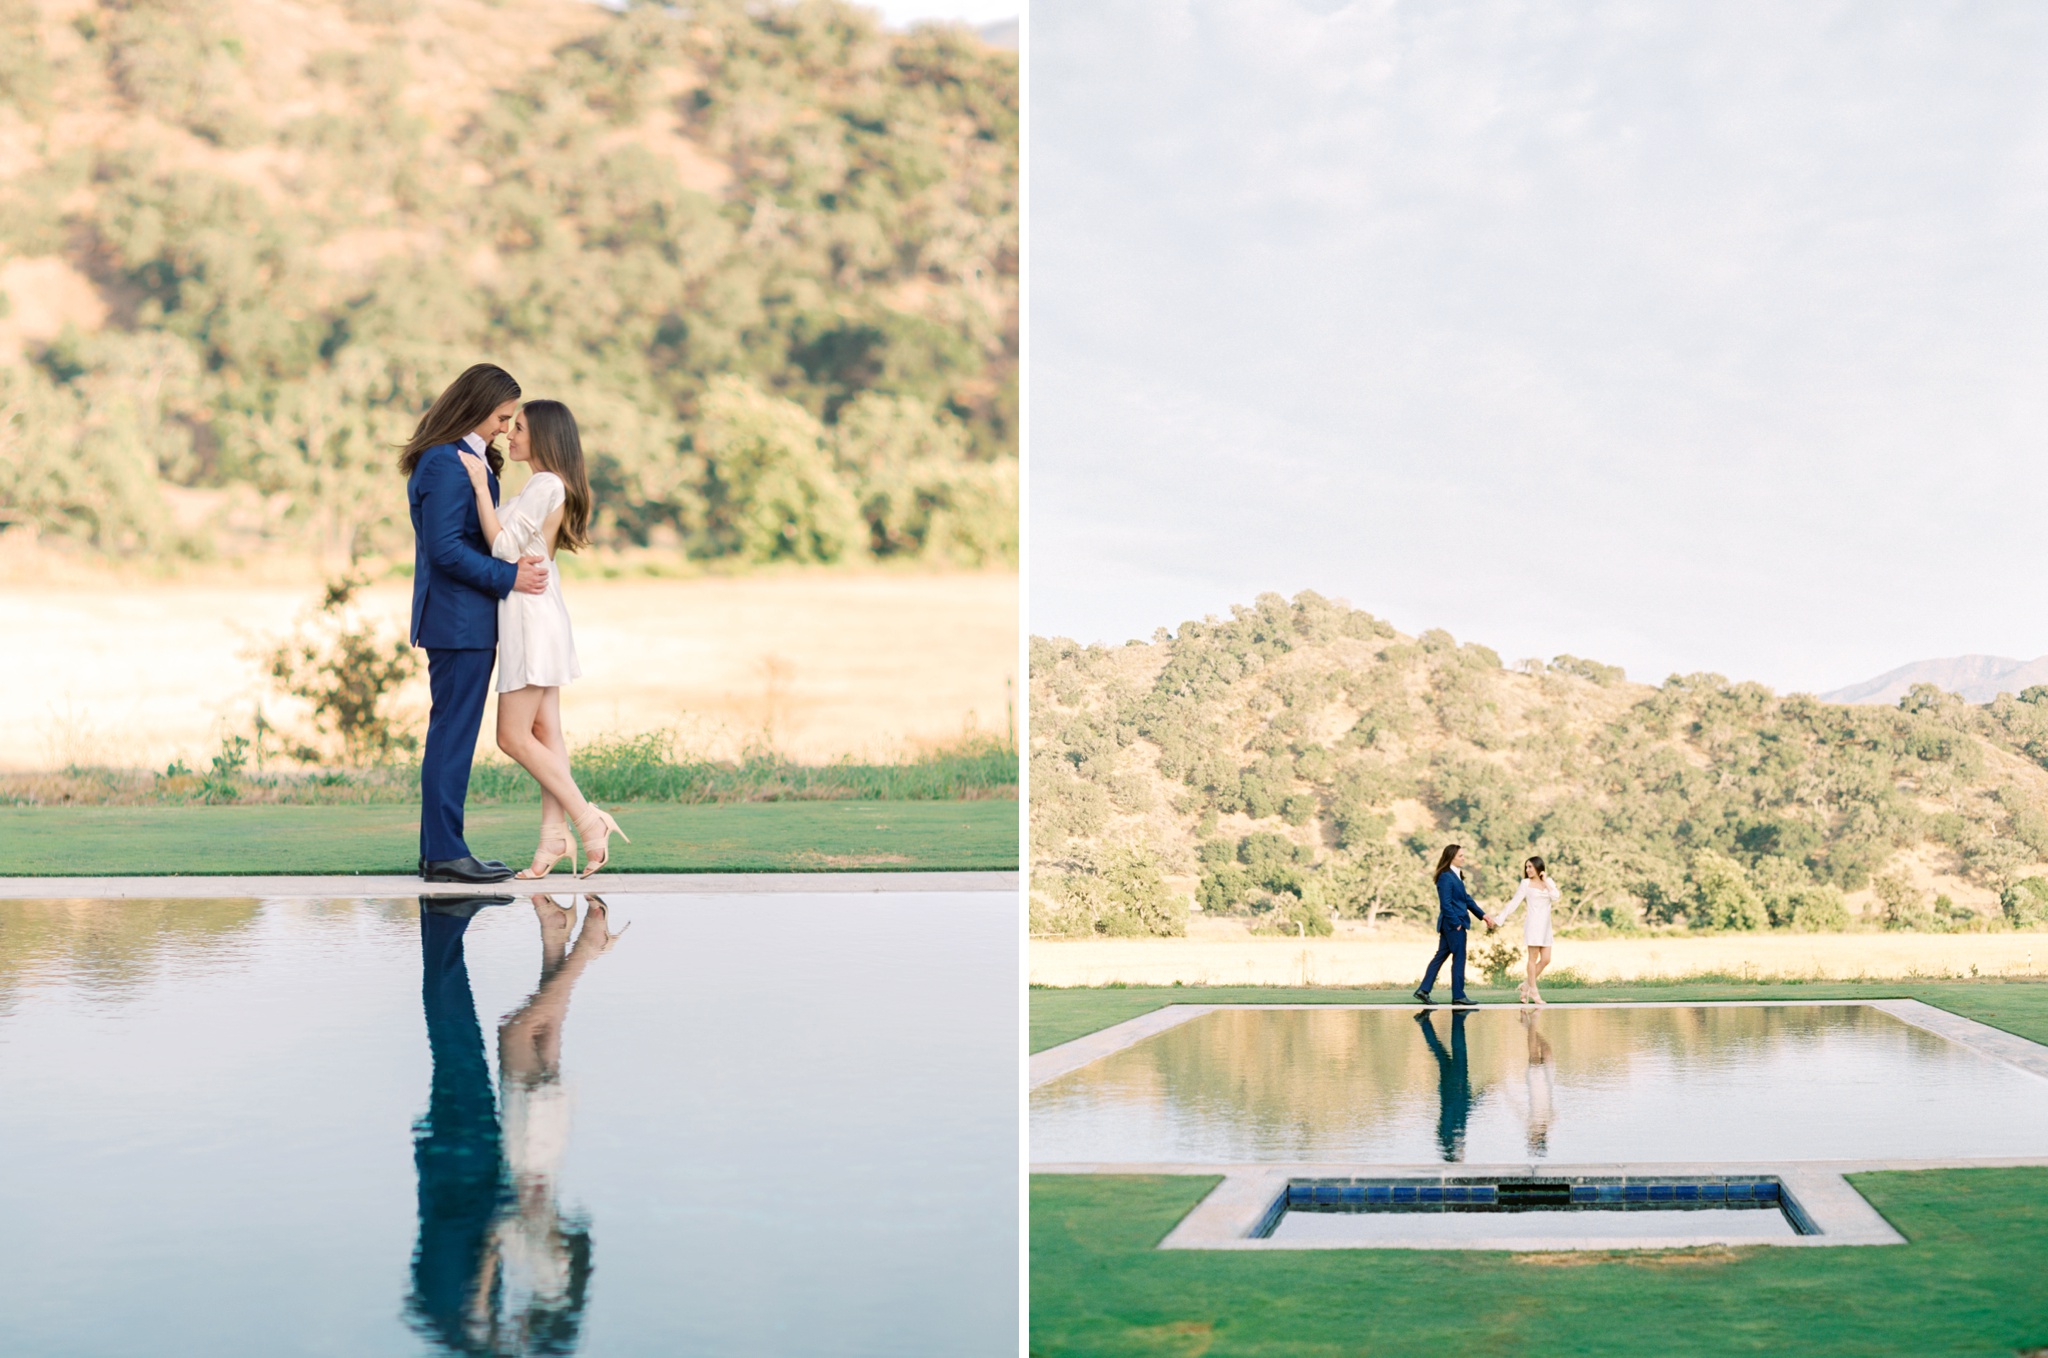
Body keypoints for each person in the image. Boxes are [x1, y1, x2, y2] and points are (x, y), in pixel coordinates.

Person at [454, 400, 627, 878]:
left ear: (545, 437)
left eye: (520, 428)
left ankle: (589, 820)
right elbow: (504, 537)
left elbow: (502, 545)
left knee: (511, 736)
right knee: (545, 733)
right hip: (536, 613)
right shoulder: (541, 485)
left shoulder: (547, 484)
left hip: (531, 617)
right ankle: (553, 839)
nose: (510, 435)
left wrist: (478, 485)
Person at [403, 364, 549, 885]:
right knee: (452, 736)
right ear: (476, 407)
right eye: (502, 418)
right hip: (458, 622)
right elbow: (445, 550)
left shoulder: (461, 457)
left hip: (464, 621)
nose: (505, 430)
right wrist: (509, 577)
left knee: (453, 734)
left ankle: (441, 851)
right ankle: (445, 853)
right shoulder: (446, 462)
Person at [1413, 843, 1493, 1008]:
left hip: (1451, 924)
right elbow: (1446, 904)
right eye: (1460, 856)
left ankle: (1423, 990)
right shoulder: (1445, 876)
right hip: (1453, 925)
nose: (1463, 858)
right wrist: (1456, 923)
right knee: (1459, 958)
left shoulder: (1455, 875)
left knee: (1440, 956)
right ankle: (1458, 996)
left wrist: (1483, 915)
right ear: (1451, 858)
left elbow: (1466, 899)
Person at [1494, 855, 1562, 1004]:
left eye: (1530, 866)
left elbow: (1556, 896)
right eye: (1526, 867)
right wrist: (1499, 918)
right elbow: (1514, 902)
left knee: (1546, 959)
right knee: (1532, 959)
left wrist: (1545, 880)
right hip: (1533, 925)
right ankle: (1534, 991)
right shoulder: (1525, 883)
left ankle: (1525, 985)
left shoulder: (1549, 882)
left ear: (1538, 867)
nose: (1527, 870)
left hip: (1546, 927)